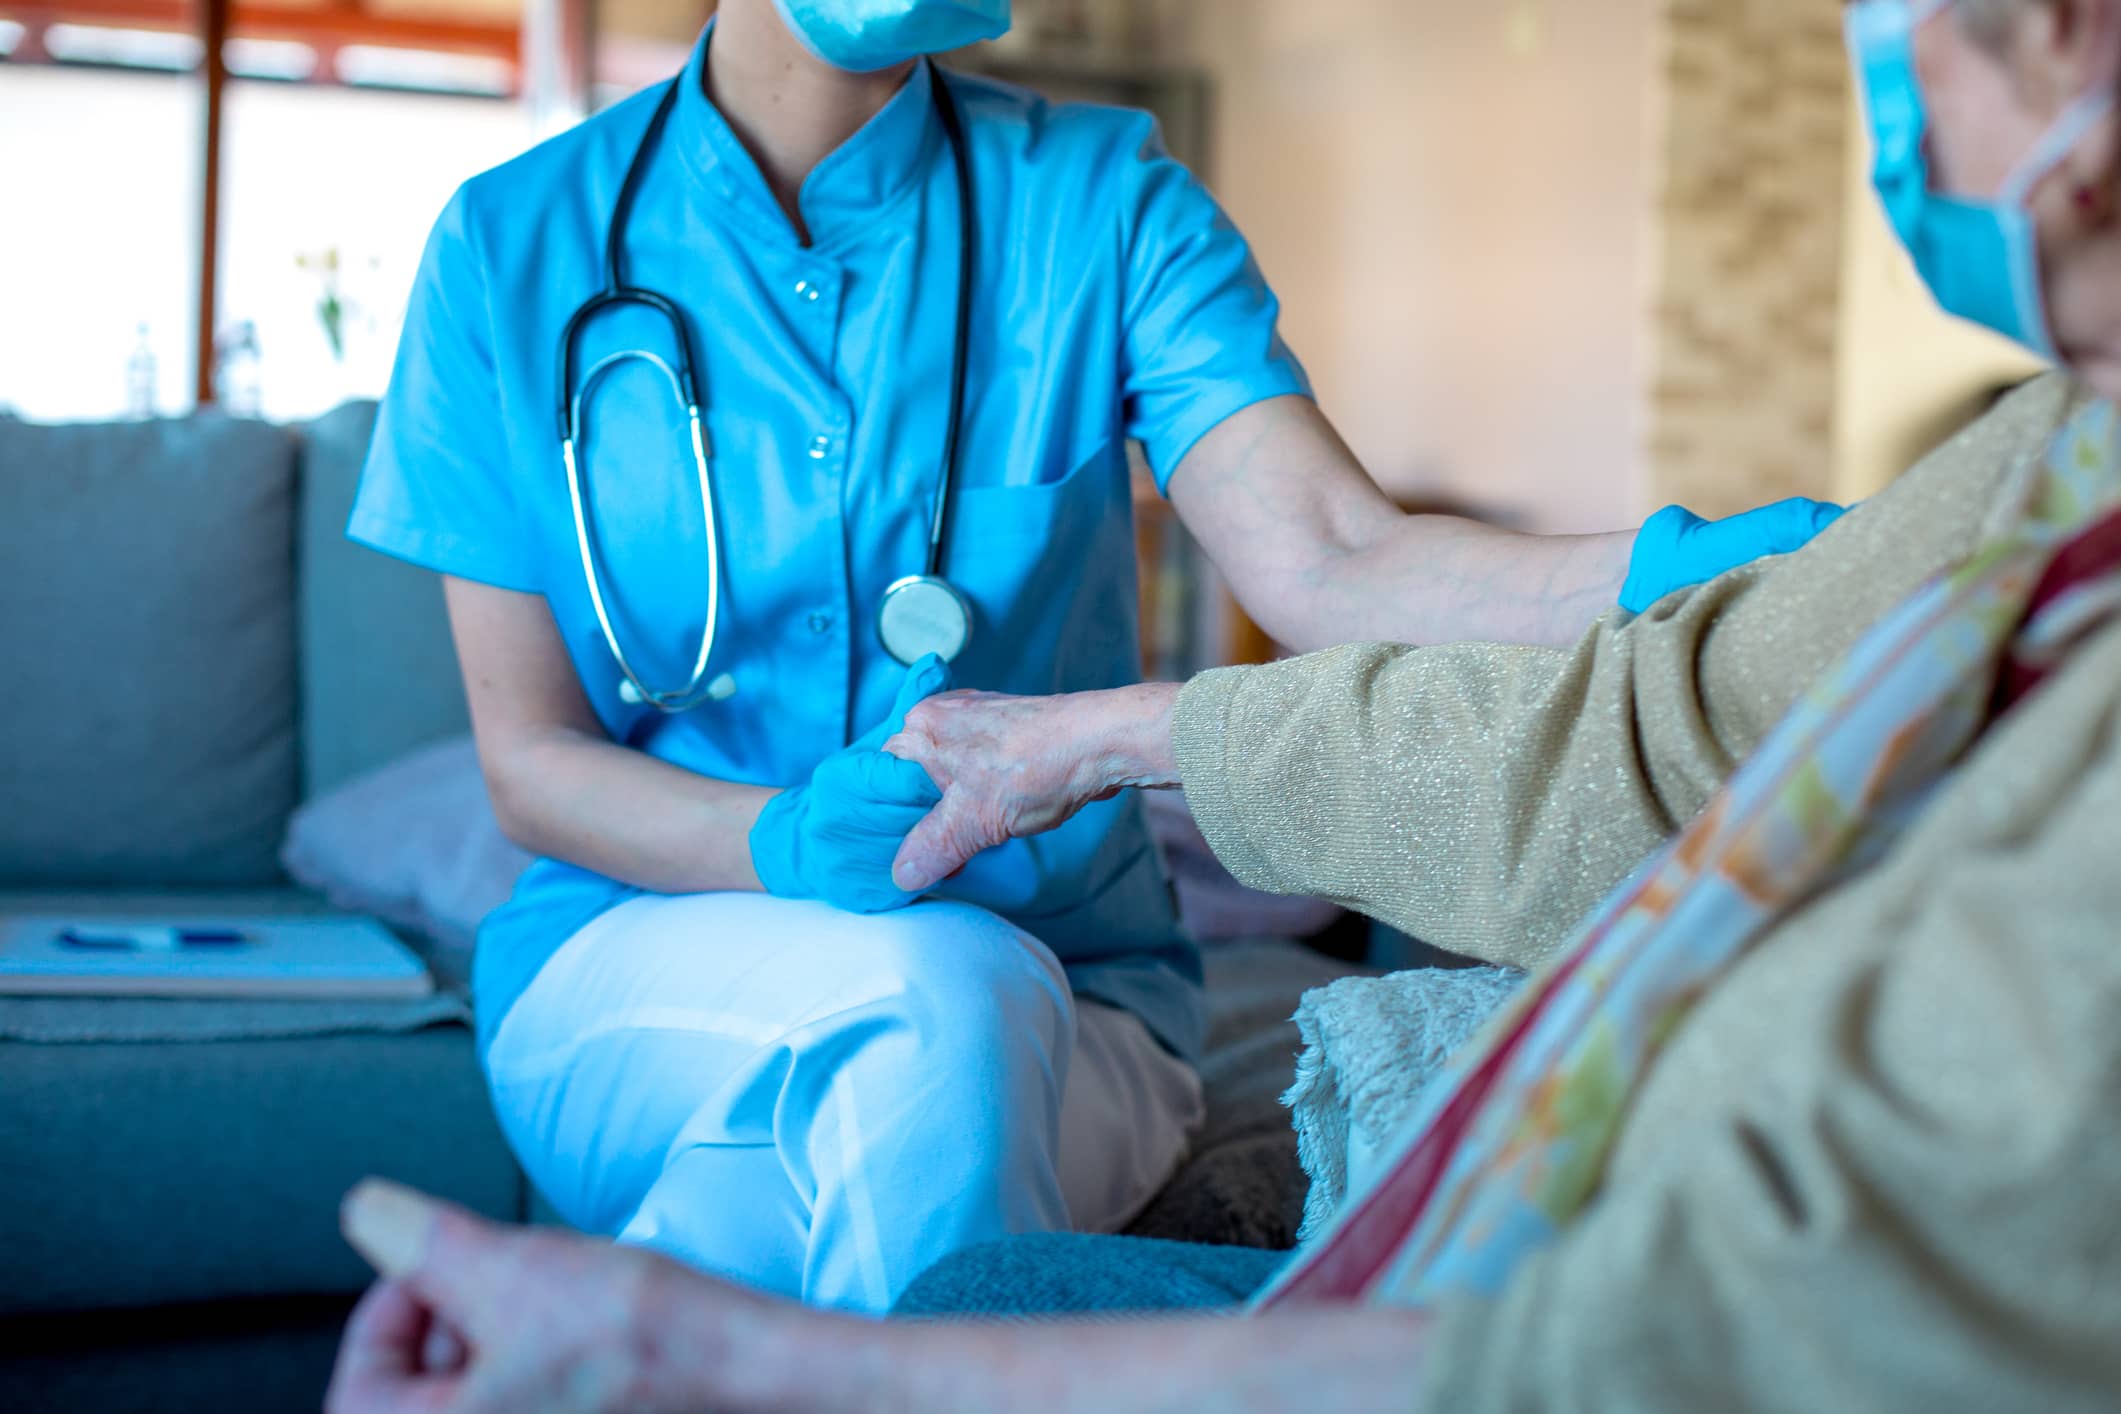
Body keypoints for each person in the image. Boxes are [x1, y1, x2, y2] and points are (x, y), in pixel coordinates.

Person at [347, 0, 1821, 1317]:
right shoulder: (507, 245)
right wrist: (779, 842)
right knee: (928, 997)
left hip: (1080, 1001)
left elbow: (1334, 559)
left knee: (843, 1114)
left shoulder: (1106, 204)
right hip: (636, 970)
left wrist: (1669, 576)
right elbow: (528, 764)